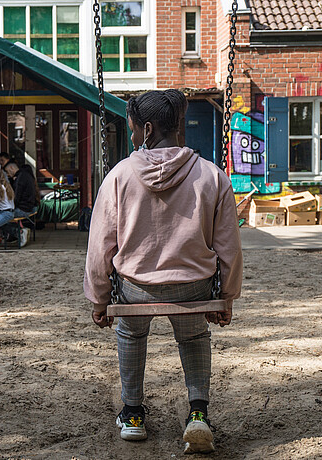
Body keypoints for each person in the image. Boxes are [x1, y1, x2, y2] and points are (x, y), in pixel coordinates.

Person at [83, 90, 242, 454]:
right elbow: (229, 247)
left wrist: (99, 299)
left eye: (134, 129)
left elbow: (100, 246)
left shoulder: (120, 176)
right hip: (193, 289)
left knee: (131, 333)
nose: (133, 135)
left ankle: (133, 413)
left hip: (136, 287)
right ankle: (198, 414)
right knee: (193, 336)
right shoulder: (211, 176)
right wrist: (226, 297)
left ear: (148, 129)